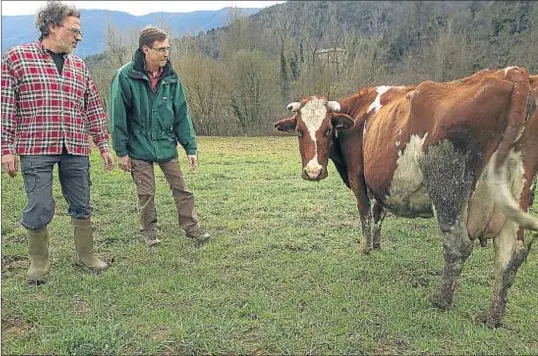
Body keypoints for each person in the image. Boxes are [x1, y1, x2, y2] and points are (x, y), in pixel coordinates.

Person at [1, 1, 114, 284]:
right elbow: (5, 107)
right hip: (35, 147)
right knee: (40, 204)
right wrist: (6, 149)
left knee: (82, 203)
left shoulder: (79, 65)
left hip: (75, 146)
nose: (78, 37)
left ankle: (85, 255)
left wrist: (103, 145)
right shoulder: (16, 58)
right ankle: (38, 262)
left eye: (80, 32)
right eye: (73, 30)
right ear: (52, 26)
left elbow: (93, 108)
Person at [108, 26, 210, 249]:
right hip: (138, 146)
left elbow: (182, 114)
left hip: (165, 143)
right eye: (161, 49)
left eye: (168, 49)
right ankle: (150, 234)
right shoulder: (125, 76)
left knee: (182, 189)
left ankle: (192, 229)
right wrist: (122, 152)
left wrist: (190, 147)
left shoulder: (171, 78)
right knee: (146, 193)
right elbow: (118, 117)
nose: (166, 54)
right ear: (146, 49)